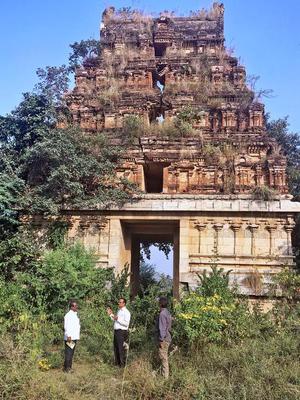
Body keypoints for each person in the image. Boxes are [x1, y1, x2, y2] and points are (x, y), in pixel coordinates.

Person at [107, 298, 131, 367]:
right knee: (116, 347)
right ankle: (117, 364)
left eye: (120, 302)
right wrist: (110, 314)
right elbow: (115, 320)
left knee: (121, 348)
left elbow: (126, 323)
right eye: (119, 302)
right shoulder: (119, 311)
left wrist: (117, 318)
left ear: (124, 303)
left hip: (122, 332)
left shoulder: (126, 312)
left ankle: (122, 365)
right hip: (117, 331)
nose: (119, 303)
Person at [156, 296, 172, 379]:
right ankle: (164, 375)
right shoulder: (167, 312)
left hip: (164, 339)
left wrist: (161, 340)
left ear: (160, 304)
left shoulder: (162, 314)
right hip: (168, 337)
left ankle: (165, 378)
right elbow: (169, 327)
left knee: (163, 358)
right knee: (163, 357)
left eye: (158, 302)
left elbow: (162, 328)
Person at [63, 300, 80, 373]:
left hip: (74, 337)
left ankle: (69, 367)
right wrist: (68, 336)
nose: (77, 307)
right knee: (69, 353)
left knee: (71, 353)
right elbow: (67, 326)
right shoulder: (68, 315)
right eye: (75, 306)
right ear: (71, 307)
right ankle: (67, 369)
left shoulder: (74, 314)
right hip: (70, 337)